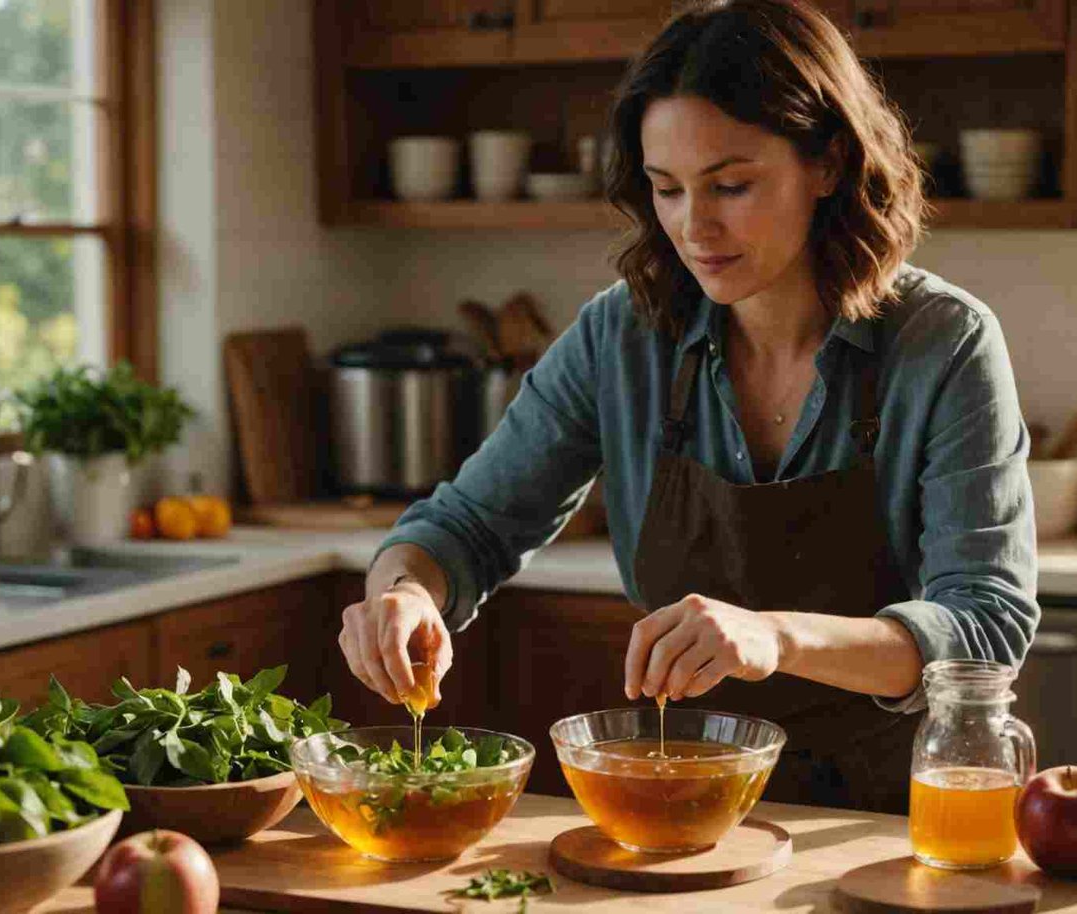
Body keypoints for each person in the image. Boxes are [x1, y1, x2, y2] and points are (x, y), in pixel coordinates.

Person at [336, 0, 1038, 813]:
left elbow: (983, 628)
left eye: (731, 185)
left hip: (891, 819)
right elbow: (466, 529)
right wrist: (404, 592)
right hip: (685, 804)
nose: (694, 226)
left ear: (829, 163)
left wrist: (774, 635)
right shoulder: (622, 336)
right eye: (666, 189)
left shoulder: (944, 343)